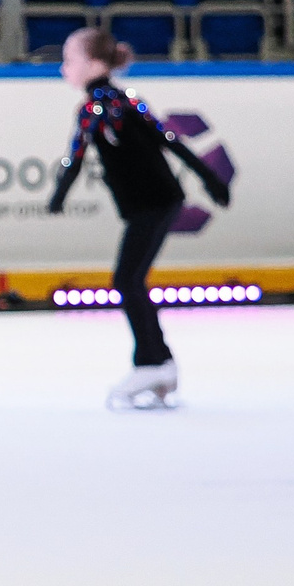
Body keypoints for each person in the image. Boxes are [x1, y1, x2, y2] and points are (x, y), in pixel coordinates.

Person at [43, 26, 232, 408]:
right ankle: (159, 361)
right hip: (159, 202)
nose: (64, 68)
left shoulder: (98, 107)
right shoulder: (125, 101)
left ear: (94, 63)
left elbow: (76, 157)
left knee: (127, 280)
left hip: (154, 203)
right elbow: (171, 141)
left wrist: (58, 196)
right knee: (131, 279)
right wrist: (209, 178)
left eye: (70, 60)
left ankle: (150, 361)